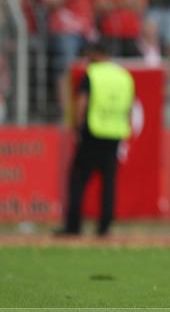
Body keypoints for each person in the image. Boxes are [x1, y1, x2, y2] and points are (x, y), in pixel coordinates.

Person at [56, 41, 135, 237]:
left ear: (95, 54)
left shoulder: (92, 75)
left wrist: (76, 127)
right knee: (109, 182)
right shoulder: (123, 76)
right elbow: (129, 106)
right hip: (115, 133)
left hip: (93, 133)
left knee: (78, 179)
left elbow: (82, 104)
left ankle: (73, 226)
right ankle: (104, 227)